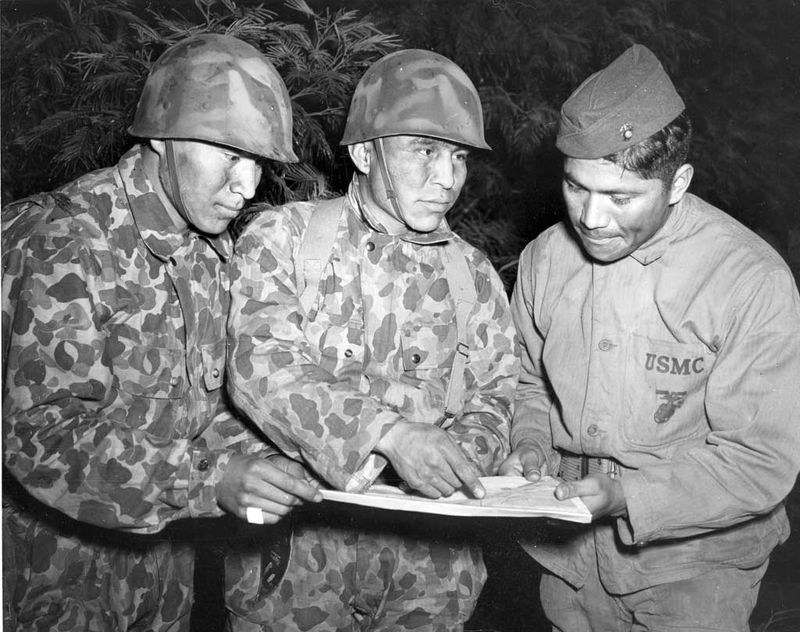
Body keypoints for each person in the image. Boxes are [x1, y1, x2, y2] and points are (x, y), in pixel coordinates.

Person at [2, 33, 321, 632]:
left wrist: (281, 458)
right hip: (55, 583)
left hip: (162, 579)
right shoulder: (68, 240)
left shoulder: (207, 252)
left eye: (259, 164)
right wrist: (212, 479)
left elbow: (205, 406)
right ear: (161, 135)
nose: (248, 186)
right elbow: (39, 436)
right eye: (230, 154)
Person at [500, 43, 800, 631]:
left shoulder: (748, 279)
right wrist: (530, 445)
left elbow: (761, 459)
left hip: (694, 567)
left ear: (677, 182)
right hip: (569, 558)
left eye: (620, 197)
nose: (590, 217)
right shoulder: (545, 259)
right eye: (576, 187)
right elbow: (526, 381)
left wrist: (628, 499)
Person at [225, 48, 519, 631]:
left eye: (458, 157)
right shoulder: (284, 240)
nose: (447, 178)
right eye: (425, 151)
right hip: (297, 558)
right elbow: (260, 366)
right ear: (364, 152)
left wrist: (451, 467)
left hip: (431, 565)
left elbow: (496, 399)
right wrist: (389, 438)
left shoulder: (474, 275)